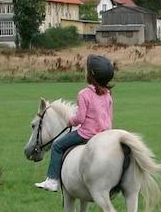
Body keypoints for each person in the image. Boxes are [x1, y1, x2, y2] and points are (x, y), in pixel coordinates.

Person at [34, 54, 115, 192]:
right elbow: (109, 117)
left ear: (91, 75)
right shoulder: (107, 94)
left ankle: (52, 181)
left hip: (86, 134)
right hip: (104, 134)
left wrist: (70, 121)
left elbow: (80, 119)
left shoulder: (84, 94)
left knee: (58, 145)